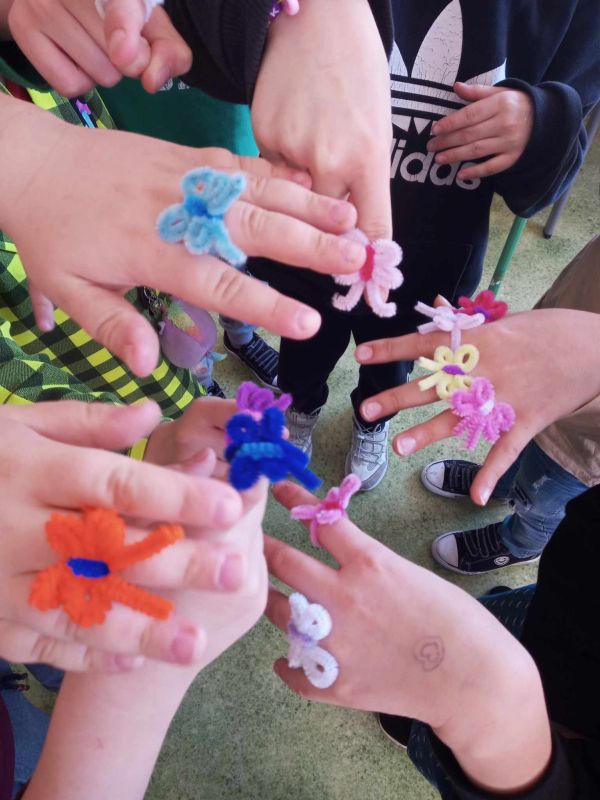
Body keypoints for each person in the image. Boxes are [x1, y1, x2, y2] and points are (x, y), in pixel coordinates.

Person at [160, 0, 599, 491]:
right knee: (303, 349)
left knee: (391, 364)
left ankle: (371, 422)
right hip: (314, 244)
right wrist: (272, 21)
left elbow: (552, 170)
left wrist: (539, 122)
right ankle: (301, 409)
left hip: (429, 260)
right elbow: (199, 40)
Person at [262, 306, 600, 798]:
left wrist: (490, 708)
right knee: (501, 611)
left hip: (542, 736)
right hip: (568, 594)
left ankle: (512, 547)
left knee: (441, 711)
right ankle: (502, 491)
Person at [418, 236, 600, 575]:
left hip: (585, 440)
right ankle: (502, 484)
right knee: (516, 446)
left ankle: (519, 544)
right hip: (562, 326)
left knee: (541, 498)